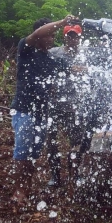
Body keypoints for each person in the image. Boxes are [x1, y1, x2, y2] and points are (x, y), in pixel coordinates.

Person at [9, 15, 78, 204]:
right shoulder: (26, 50)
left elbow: (75, 69)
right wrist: (63, 23)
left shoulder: (51, 60)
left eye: (52, 36)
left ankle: (27, 185)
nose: (51, 39)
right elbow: (36, 34)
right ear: (38, 36)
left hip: (41, 113)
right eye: (48, 35)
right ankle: (20, 190)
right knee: (22, 153)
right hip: (24, 110)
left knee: (33, 153)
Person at [46, 25, 86, 188]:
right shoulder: (54, 52)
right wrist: (69, 69)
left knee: (76, 142)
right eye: (69, 36)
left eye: (75, 36)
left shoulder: (85, 54)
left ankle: (75, 174)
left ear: (80, 37)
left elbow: (95, 70)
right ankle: (55, 176)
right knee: (51, 142)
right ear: (65, 37)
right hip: (54, 104)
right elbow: (46, 68)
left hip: (75, 105)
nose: (73, 39)